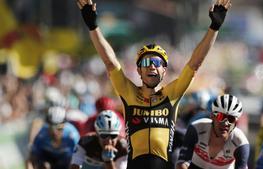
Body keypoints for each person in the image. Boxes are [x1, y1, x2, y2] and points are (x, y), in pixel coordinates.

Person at [77, 0, 231, 168]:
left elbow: (195, 63)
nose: (151, 66)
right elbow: (110, 62)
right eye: (146, 63)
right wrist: (93, 26)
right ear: (138, 71)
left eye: (157, 62)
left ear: (164, 70)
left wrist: (214, 28)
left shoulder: (171, 94)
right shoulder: (130, 94)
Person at [176, 94, 250, 169]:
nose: (225, 123)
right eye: (221, 116)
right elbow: (181, 163)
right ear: (212, 116)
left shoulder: (241, 143)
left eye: (231, 119)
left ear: (236, 122)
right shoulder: (196, 128)